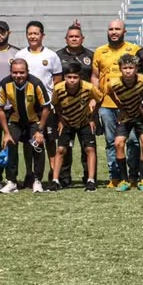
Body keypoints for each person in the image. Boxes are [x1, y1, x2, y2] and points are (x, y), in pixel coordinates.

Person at [91, 19, 141, 187]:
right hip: (107, 105)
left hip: (129, 105)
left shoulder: (134, 49)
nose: (114, 32)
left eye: (117, 29)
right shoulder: (100, 51)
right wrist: (94, 97)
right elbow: (95, 76)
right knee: (111, 141)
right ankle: (115, 176)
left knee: (133, 140)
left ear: (124, 32)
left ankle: (133, 175)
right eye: (111, 29)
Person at [14, 20, 63, 186]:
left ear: (42, 35)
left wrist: (53, 103)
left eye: (36, 33)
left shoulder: (51, 56)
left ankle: (53, 174)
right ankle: (30, 173)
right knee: (29, 141)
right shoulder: (20, 55)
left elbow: (57, 81)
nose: (33, 36)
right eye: (30, 33)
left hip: (46, 106)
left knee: (50, 140)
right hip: (27, 106)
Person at [0, 58, 52, 193]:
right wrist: (6, 133)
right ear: (10, 72)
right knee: (10, 143)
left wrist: (40, 130)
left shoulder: (35, 83)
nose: (18, 75)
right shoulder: (5, 84)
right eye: (15, 72)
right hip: (15, 120)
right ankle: (12, 181)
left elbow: (46, 107)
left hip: (34, 121)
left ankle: (37, 180)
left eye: (22, 72)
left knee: (37, 145)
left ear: (27, 71)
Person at [106, 54, 143, 191]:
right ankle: (124, 180)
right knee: (118, 143)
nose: (128, 71)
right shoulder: (113, 83)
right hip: (126, 116)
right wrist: (121, 107)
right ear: (120, 69)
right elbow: (109, 93)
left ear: (136, 68)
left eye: (131, 68)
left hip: (142, 117)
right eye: (125, 68)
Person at [50, 62, 103, 192]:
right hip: (67, 122)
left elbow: (100, 99)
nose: (72, 80)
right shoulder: (58, 89)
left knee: (90, 149)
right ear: (64, 77)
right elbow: (55, 104)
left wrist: (92, 117)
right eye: (69, 77)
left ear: (80, 77)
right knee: (61, 150)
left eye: (75, 77)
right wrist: (61, 119)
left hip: (84, 121)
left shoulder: (88, 87)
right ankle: (55, 180)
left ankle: (91, 180)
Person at [55, 22, 94, 184]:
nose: (74, 39)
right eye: (71, 36)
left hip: (85, 108)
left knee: (87, 145)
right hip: (65, 109)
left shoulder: (90, 55)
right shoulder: (58, 56)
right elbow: (57, 82)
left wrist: (93, 101)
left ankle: (88, 176)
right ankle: (64, 177)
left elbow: (94, 78)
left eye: (77, 36)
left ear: (82, 38)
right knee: (65, 145)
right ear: (66, 39)